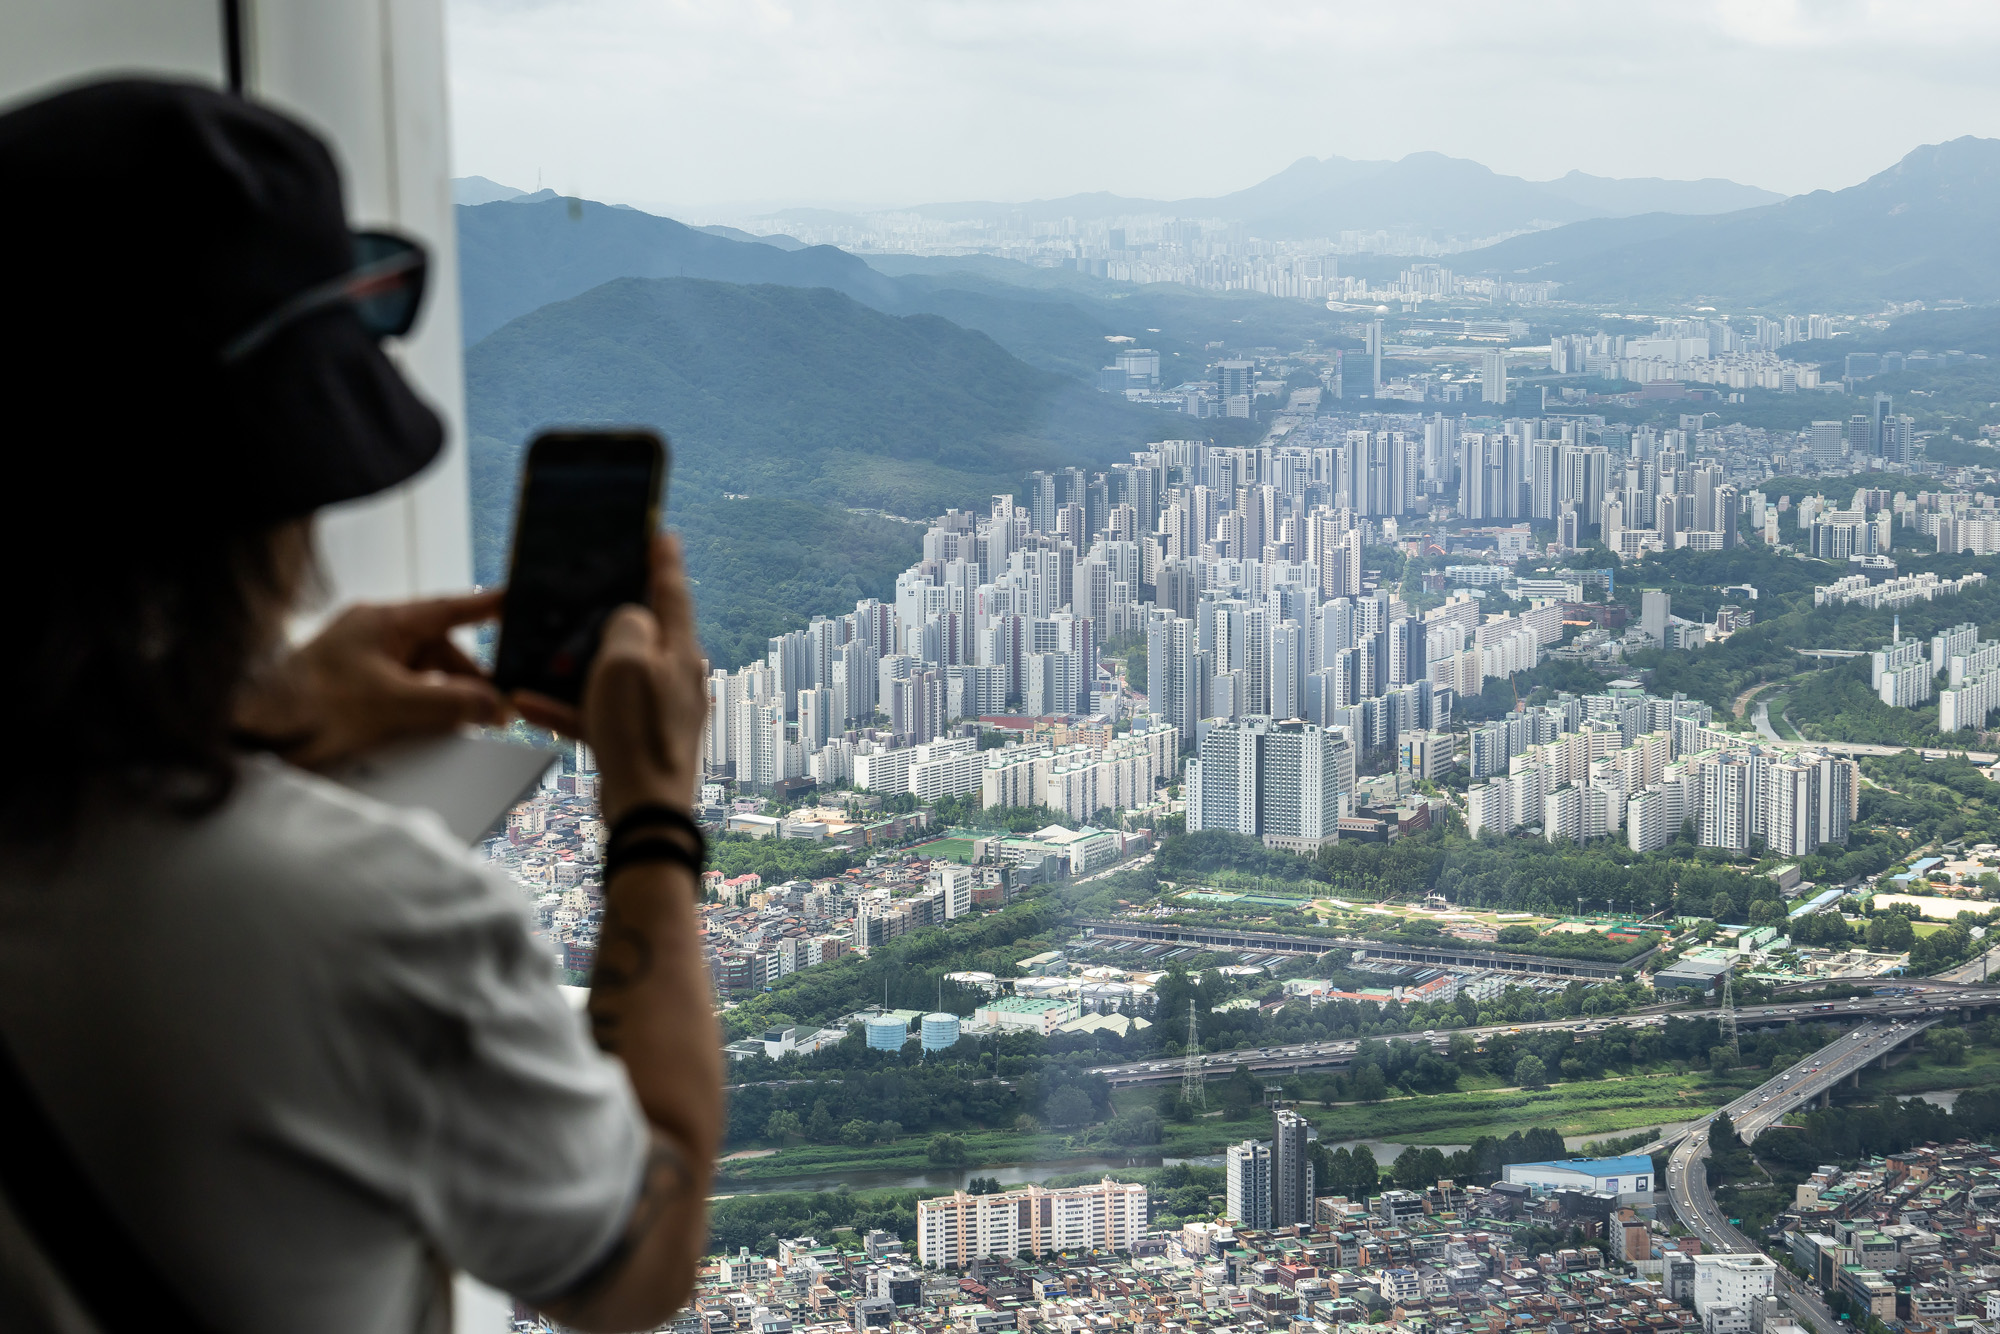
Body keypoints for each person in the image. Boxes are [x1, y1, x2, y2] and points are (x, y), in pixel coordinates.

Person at [0, 80, 720, 1332]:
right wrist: (652, 815)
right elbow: (635, 1268)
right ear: (270, 494)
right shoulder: (367, 916)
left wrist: (240, 706)